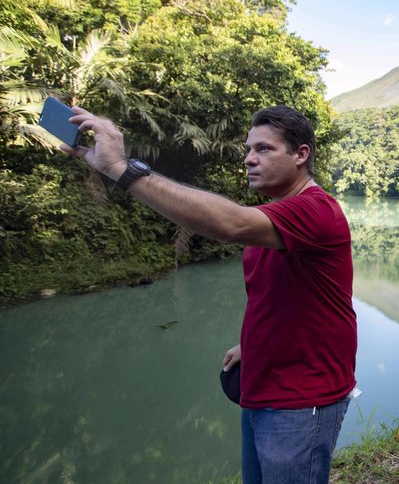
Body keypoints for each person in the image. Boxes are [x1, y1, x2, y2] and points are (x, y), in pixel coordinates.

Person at [60, 105, 357, 484]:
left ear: (301, 155)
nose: (249, 158)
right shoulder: (276, 215)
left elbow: (228, 223)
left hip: (302, 400)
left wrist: (121, 167)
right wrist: (252, 344)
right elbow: (293, 296)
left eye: (264, 149)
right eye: (248, 149)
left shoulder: (316, 210)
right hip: (264, 388)